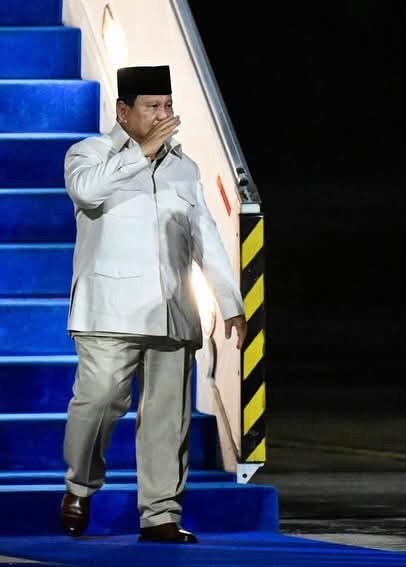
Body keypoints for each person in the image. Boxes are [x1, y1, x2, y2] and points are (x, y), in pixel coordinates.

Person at [59, 65, 246, 544]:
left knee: (168, 417)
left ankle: (161, 514)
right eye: (152, 107)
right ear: (124, 112)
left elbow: (203, 233)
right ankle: (79, 485)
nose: (165, 116)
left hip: (172, 309)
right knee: (99, 400)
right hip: (109, 309)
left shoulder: (184, 166)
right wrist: (139, 154)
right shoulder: (90, 154)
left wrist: (229, 302)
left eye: (168, 106)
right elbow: (86, 192)